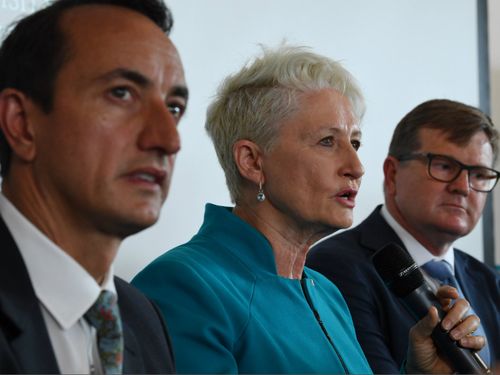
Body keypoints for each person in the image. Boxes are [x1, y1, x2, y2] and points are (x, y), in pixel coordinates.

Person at [133, 47, 482, 374]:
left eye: (355, 143)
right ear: (252, 161)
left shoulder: (326, 292)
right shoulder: (184, 286)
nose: (356, 166)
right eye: (327, 141)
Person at [0, 0, 188, 373]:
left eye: (173, 108)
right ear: (21, 123)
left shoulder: (143, 318)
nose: (167, 139)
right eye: (121, 93)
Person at [307, 99, 500, 373]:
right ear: (392, 173)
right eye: (444, 166)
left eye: (479, 174)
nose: (463, 187)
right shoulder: (333, 268)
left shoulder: (487, 279)